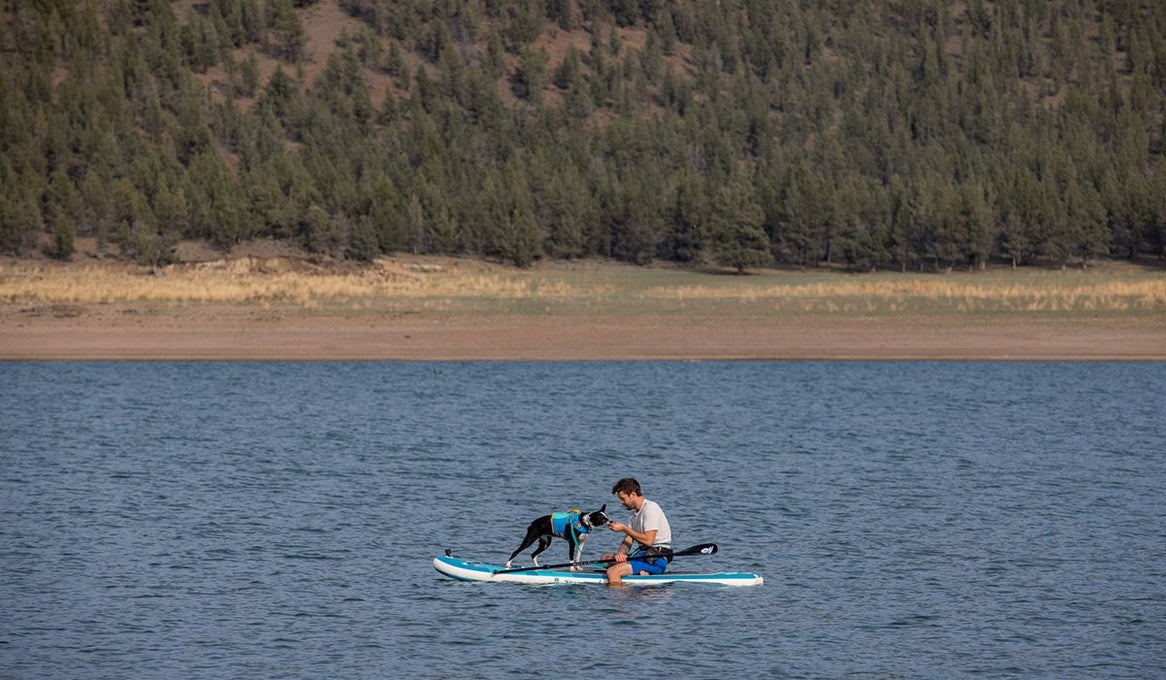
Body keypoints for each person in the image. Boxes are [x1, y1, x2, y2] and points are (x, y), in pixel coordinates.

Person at [603, 477, 672, 586]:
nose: (621, 503)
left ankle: (617, 600)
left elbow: (649, 541)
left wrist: (624, 528)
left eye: (622, 498)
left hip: (656, 558)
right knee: (606, 558)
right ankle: (640, 572)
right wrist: (621, 553)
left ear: (633, 495)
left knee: (612, 571)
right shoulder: (633, 516)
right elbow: (629, 539)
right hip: (642, 555)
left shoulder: (650, 508)